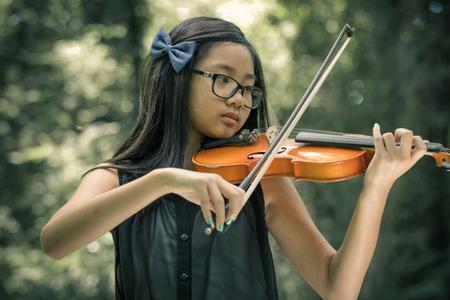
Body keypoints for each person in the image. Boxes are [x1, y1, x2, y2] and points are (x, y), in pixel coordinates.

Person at [40, 16, 427, 300]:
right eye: (224, 80)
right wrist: (166, 179)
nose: (241, 100)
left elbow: (337, 287)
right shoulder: (117, 178)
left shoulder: (263, 180)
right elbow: (55, 242)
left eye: (248, 89)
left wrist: (376, 187)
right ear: (179, 76)